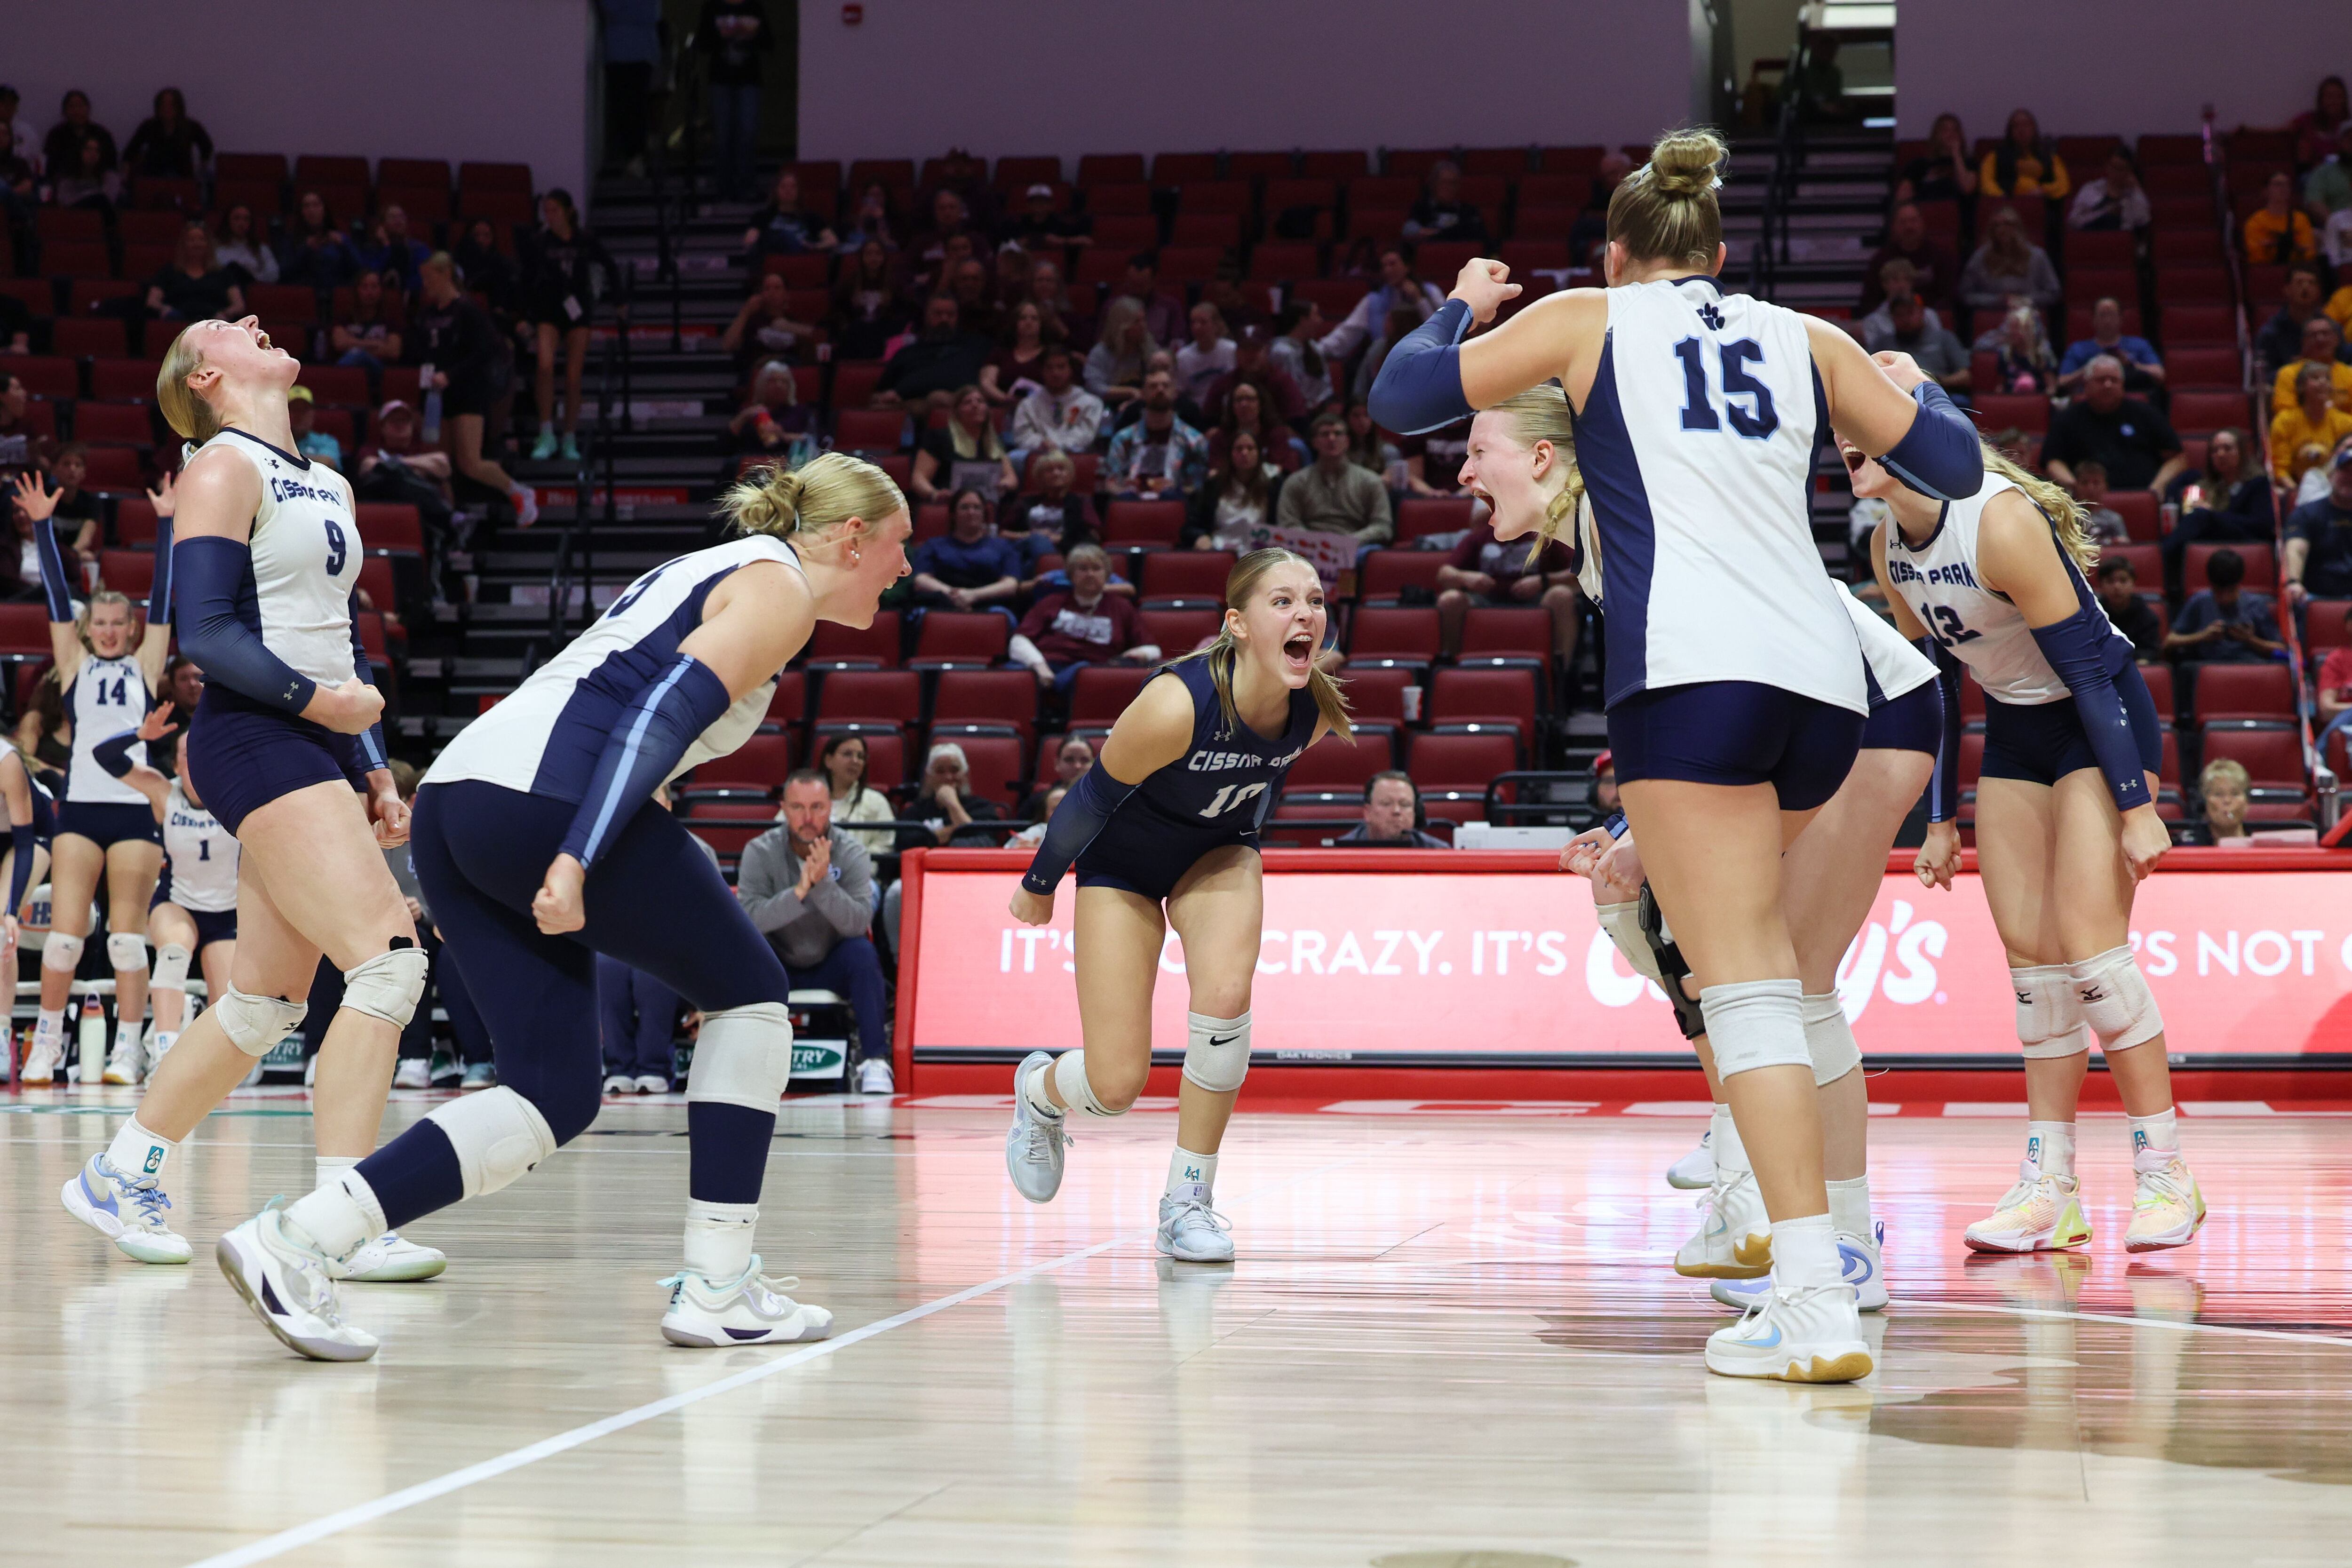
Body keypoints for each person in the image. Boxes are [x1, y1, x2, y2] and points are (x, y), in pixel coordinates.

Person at [1372, 126, 1988, 1383]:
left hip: (1694, 677)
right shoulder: (1806, 337)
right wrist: (1911, 383)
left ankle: (1809, 1290)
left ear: (1616, 253)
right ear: (1716, 254)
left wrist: (1460, 305)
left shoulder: (1589, 321)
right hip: (1824, 690)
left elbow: (1399, 399)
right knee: (1770, 979)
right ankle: (1814, 1261)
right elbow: (1958, 464)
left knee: (1747, 985)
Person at [224, 450, 910, 1360]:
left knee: (552, 1091)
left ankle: (297, 1240)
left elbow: (618, 700)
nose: (905, 569)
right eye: (900, 544)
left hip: (465, 796)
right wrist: (579, 855)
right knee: (750, 991)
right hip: (542, 803)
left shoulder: (715, 571)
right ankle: (718, 1283)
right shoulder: (776, 589)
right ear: (853, 535)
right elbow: (653, 719)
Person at [58, 315, 438, 1292]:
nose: (256, 323)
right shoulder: (219, 468)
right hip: (250, 734)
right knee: (389, 961)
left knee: (266, 1000)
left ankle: (122, 1169)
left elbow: (332, 641)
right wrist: (322, 707)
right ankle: (338, 1219)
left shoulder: (326, 477)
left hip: (312, 737)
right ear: (208, 375)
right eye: (229, 326)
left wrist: (369, 762)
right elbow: (206, 636)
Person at [1552, 398, 1943, 1321]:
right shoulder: (1609, 533)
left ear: (1539, 456)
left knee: (1791, 990)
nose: (1461, 473)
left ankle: (1834, 1242)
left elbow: (1739, 659)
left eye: (1476, 447)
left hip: (1862, 704)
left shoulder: (1628, 519)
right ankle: (1756, 1177)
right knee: (1702, 940)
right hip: (1805, 708)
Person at [1862, 433, 2200, 1261]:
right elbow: (1937, 681)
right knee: (2034, 966)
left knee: (2094, 952)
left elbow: (2089, 671)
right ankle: (2051, 1189)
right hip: (2015, 730)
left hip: (2099, 716)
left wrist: (2134, 805)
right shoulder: (1884, 544)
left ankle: (2167, 1171)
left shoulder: (2000, 522)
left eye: (1861, 427)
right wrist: (1938, 819)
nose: (1845, 442)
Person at [1005, 547, 1348, 1263]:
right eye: (1282, 601)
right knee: (1116, 1083)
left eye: (1314, 600)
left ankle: (1188, 1200)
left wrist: (1239, 841)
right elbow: (1092, 798)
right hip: (1120, 865)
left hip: (1217, 850)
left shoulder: (1313, 709)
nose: (1305, 614)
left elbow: (1258, 782)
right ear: (1238, 625)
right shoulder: (1174, 703)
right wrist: (1040, 885)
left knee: (1225, 996)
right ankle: (1039, 1092)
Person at [10, 472, 176, 1086]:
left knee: (128, 942)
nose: (109, 630)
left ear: (131, 630)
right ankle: (47, 1046)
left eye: (118, 622)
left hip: (134, 810)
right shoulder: (73, 663)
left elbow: (163, 598)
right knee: (64, 939)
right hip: (79, 810)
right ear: (88, 630)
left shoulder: (146, 665)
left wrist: (165, 524)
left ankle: (126, 1050)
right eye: (99, 622)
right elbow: (56, 596)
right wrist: (45, 529)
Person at [88, 714, 231, 1072]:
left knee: (227, 1000)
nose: (194, 757)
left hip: (230, 910)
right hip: (178, 902)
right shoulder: (164, 791)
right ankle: (164, 1054)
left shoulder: (234, 794)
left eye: (202, 749)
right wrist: (138, 734)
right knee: (173, 951)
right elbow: (105, 756)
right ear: (175, 763)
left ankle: (213, 1066)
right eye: (186, 752)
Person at [737, 771, 891, 1093]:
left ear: (831, 808)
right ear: (784, 808)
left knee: (862, 953)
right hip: (776, 963)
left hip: (830, 962)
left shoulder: (851, 853)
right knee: (742, 950)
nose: (808, 818)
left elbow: (856, 921)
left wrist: (822, 884)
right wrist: (800, 891)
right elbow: (750, 920)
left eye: (818, 807)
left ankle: (875, 1059)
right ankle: (737, 1057)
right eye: (798, 807)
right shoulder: (759, 851)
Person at [413, 253, 537, 525]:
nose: (426, 284)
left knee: (470, 462)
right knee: (441, 463)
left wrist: (452, 374)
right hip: (438, 397)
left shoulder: (467, 311)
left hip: (468, 394)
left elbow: (487, 350)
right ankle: (451, 519)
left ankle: (520, 492)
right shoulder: (429, 315)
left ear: (445, 274)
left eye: (429, 277)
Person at [520, 191, 611, 463]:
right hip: (548, 311)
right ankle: (546, 432)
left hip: (578, 313)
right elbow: (526, 279)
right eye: (546, 211)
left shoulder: (585, 240)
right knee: (545, 366)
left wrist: (619, 302)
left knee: (573, 376)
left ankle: (569, 435)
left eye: (555, 210)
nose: (550, 216)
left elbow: (609, 266)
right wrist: (526, 315)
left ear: (569, 211)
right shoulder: (539, 242)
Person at [1434, 493, 1580, 661]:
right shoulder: (1481, 536)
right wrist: (1467, 578)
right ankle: (1450, 664)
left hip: (1536, 600)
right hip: (1486, 599)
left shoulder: (1546, 535)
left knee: (1561, 595)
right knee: (1450, 599)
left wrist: (1544, 581)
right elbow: (1444, 573)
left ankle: (1561, 672)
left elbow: (1577, 571)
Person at [1010, 543, 1159, 689]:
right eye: (1083, 569)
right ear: (1071, 575)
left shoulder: (1122, 607)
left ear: (1107, 575)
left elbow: (1152, 649)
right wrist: (1040, 667)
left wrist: (1131, 656)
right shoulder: (1051, 602)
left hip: (1094, 676)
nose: (1090, 574)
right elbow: (1019, 641)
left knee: (1083, 670)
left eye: (1096, 569)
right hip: (1047, 668)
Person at [2043, 356, 2184, 494]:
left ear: (2123, 384)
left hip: (2140, 497)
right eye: (2101, 380)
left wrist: (2157, 487)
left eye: (2114, 380)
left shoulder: (2146, 413)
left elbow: (2177, 458)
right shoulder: (2067, 419)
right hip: (2087, 503)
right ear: (2086, 384)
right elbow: (2053, 462)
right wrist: (2075, 486)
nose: (2108, 385)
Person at [2163, 426, 2277, 571]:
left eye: (2227, 449)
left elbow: (2262, 526)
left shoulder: (2258, 484)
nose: (2221, 454)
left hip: (2246, 540)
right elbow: (2174, 490)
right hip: (2213, 540)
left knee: (2200, 517)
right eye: (2214, 451)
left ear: (2242, 452)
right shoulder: (2204, 483)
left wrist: (2212, 515)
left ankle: (2160, 559)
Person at [1318, 244, 1444, 366]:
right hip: (1386, 364)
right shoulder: (1373, 301)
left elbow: (1444, 331)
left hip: (1427, 361)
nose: (1387, 270)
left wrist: (1419, 301)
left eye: (1393, 264)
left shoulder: (1431, 292)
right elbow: (1347, 333)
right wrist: (1317, 350)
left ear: (1407, 266)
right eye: (1384, 266)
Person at [696, 0, 773, 201]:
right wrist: (721, 35)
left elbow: (769, 42)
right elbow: (701, 43)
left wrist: (750, 34)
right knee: (723, 134)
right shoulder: (713, 8)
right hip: (721, 79)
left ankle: (746, 184)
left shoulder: (754, 7)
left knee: (747, 132)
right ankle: (725, 185)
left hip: (749, 79)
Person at [1276, 412, 1392, 545]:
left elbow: (1383, 526)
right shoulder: (1296, 482)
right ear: (1314, 442)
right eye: (1325, 434)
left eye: (1338, 434)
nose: (1332, 439)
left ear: (1347, 441)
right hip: (1310, 548)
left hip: (1356, 547)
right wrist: (1318, 543)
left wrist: (1348, 542)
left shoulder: (1370, 480)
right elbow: (1288, 525)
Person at [908, 486, 1021, 614]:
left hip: (990, 607)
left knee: (1005, 616)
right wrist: (953, 594)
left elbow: (1011, 584)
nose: (971, 512)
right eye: (965, 507)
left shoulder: (1002, 546)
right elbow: (921, 579)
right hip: (940, 605)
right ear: (953, 514)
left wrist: (973, 595)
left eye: (977, 508)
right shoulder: (933, 545)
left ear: (984, 514)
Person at [1100, 367, 1208, 500]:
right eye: (1153, 386)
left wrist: (1176, 489)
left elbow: (1198, 485)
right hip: (1132, 508)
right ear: (1143, 394)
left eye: (1166, 386)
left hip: (1175, 508)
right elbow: (1110, 483)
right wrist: (1125, 490)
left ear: (1175, 393)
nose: (1160, 390)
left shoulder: (1194, 440)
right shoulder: (1122, 439)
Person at [2165, 548, 2285, 665]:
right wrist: (2202, 636)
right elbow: (2169, 642)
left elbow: (2282, 650)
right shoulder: (2199, 601)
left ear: (2239, 584)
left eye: (2231, 591)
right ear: (2211, 585)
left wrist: (2250, 640)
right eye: (2219, 592)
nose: (2225, 598)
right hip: (2207, 669)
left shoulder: (2255, 604)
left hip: (2249, 668)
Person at [875, 293, 992, 411]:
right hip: (908, 410)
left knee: (939, 398)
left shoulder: (976, 347)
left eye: (950, 315)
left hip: (963, 410)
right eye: (938, 314)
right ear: (926, 316)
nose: (944, 319)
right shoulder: (906, 353)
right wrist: (886, 397)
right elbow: (876, 396)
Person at [912, 384, 1017, 503]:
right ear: (957, 411)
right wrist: (934, 494)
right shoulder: (938, 438)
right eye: (968, 402)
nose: (975, 405)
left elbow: (1011, 478)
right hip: (949, 504)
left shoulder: (995, 441)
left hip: (987, 505)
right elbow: (919, 479)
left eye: (980, 401)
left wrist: (1005, 484)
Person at [895, 741, 1008, 848]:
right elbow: (908, 845)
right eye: (940, 771)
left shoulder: (983, 808)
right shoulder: (914, 812)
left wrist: (952, 804)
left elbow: (981, 842)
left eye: (955, 770)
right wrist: (956, 829)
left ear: (965, 775)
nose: (948, 777)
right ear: (929, 777)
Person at [1856, 202, 1960, 314]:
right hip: (1887, 321)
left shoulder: (1941, 256)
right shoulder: (1882, 260)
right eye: (1903, 222)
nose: (1909, 227)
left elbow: (1950, 297)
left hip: (1928, 319)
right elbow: (1869, 301)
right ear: (1894, 227)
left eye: (1913, 221)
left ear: (1922, 223)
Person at [1958, 205, 2061, 318]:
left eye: (2007, 224)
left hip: (2029, 318)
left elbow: (2054, 292)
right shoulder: (1980, 257)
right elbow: (1965, 295)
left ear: (2018, 228)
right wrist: (1996, 300)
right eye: (1997, 226)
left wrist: (2024, 300)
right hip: (1992, 317)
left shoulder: (2037, 256)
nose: (2002, 230)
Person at [1186, 429, 1280, 550]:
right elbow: (1191, 525)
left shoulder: (1273, 485)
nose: (1245, 453)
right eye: (1239, 449)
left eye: (1250, 448)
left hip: (1259, 553)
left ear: (1259, 454)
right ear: (1230, 454)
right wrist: (1200, 537)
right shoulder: (1214, 485)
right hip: (1220, 549)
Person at [1861, 287, 1970, 391]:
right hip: (1894, 397)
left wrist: (1937, 382)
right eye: (1900, 315)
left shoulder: (1944, 338)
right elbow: (1864, 373)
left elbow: (1965, 375)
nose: (1906, 319)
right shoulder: (1882, 344)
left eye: (1910, 313)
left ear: (1922, 313)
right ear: (1892, 318)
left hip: (1940, 395)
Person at [1008, 345, 1104, 459]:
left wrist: (1058, 445)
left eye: (1061, 367)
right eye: (1049, 368)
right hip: (1038, 456)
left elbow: (1086, 435)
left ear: (1071, 370)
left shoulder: (1091, 403)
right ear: (1042, 371)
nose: (1055, 373)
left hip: (1075, 458)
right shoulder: (1027, 405)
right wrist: (1041, 444)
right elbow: (1022, 436)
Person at [2057, 297, 2163, 397]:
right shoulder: (2078, 348)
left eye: (2112, 315)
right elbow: (2062, 382)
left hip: (2132, 400)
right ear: (2094, 320)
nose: (2107, 321)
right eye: (2103, 315)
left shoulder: (2140, 345)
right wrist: (2091, 368)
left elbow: (2160, 375)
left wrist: (2132, 364)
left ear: (2121, 319)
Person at [2284, 447, 2352, 601]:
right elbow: (2297, 550)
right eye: (2345, 472)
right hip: (2316, 596)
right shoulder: (2307, 513)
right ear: (2330, 476)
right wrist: (2294, 582)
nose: (2350, 477)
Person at [2271, 360, 2352, 485]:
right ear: (2301, 387)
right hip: (2294, 487)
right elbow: (2281, 471)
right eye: (2315, 378)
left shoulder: (2346, 423)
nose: (2323, 382)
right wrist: (2297, 493)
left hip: (2334, 488)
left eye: (2327, 379)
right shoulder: (2285, 421)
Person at [145, 223, 246, 323]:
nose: (197, 244)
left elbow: (239, 305)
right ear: (183, 245)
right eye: (191, 240)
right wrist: (165, 309)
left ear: (209, 244)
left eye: (201, 239)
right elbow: (152, 301)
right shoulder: (169, 272)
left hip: (214, 327)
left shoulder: (223, 274)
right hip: (177, 325)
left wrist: (225, 314)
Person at [722, 271, 819, 373]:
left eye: (777, 288)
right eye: (767, 288)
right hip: (759, 373)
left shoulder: (794, 323)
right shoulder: (751, 321)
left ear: (786, 295)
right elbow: (727, 346)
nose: (772, 293)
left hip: (789, 373)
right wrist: (746, 312)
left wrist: (790, 328)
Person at [817, 731, 894, 856]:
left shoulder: (876, 801)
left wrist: (855, 864)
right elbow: (779, 835)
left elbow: (885, 845)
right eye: (847, 754)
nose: (855, 761)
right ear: (828, 760)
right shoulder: (805, 797)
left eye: (861, 757)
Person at [330, 271, 405, 394]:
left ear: (381, 290)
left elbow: (394, 351)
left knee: (356, 354)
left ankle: (335, 387)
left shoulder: (390, 318)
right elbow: (340, 343)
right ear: (357, 290)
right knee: (356, 355)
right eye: (365, 287)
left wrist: (355, 346)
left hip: (380, 371)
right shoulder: (345, 317)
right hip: (351, 369)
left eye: (374, 287)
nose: (370, 292)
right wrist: (376, 344)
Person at [727, 359, 816, 461]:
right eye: (772, 381)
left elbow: (812, 441)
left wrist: (783, 436)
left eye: (784, 382)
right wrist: (743, 417)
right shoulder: (748, 412)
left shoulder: (799, 412)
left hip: (787, 463)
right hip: (751, 463)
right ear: (761, 385)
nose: (779, 386)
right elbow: (724, 445)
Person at [740, 169, 837, 261]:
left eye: (793, 187)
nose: (788, 190)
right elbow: (750, 240)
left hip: (801, 259)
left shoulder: (811, 217)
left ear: (799, 191)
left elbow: (832, 240)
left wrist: (814, 246)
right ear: (776, 191)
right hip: (775, 260)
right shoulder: (762, 216)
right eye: (784, 187)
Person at [1333, 770, 1448, 846]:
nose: (1397, 811)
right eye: (1386, 803)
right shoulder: (1343, 850)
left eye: (1405, 805)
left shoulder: (1437, 851)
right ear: (1367, 812)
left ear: (1414, 812)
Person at [2269, 314, 2352, 417]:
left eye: (2325, 334)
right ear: (2304, 342)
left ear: (2337, 339)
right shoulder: (2289, 374)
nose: (2320, 339)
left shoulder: (2349, 375)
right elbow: (2284, 415)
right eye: (2313, 335)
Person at [981, 299, 1058, 409]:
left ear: (1042, 324)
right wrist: (1006, 399)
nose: (1029, 322)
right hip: (1005, 408)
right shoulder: (1000, 353)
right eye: (1023, 318)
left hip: (1042, 409)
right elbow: (986, 383)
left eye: (1034, 318)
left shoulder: (1051, 354)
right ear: (1015, 323)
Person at [2257, 263, 2332, 376]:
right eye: (2299, 283)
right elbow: (2263, 377)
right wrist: (2298, 369)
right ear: (2287, 289)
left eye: (2312, 283)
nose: (2306, 287)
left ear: (2319, 291)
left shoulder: (2332, 329)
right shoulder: (2271, 333)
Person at [121, 87, 211, 181]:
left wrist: (202, 167)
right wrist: (126, 168)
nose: (167, 109)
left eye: (171, 105)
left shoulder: (190, 127)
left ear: (179, 107)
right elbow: (131, 150)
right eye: (163, 105)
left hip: (182, 179)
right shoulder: (149, 126)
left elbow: (207, 147)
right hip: (154, 178)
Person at [1979, 109, 2069, 200]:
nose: (2021, 130)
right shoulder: (1995, 156)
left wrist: (2044, 190)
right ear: (2010, 131)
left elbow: (2063, 185)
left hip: (2042, 204)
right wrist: (2003, 198)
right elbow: (1986, 183)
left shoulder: (2050, 157)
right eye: (2016, 126)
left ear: (2034, 129)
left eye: (2026, 125)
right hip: (2007, 206)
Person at [1084, 295, 1157, 408]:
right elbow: (1094, 387)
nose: (1143, 326)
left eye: (1144, 320)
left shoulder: (1149, 346)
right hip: (1107, 408)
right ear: (1122, 326)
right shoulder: (1101, 353)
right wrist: (1131, 392)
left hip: (1144, 407)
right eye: (1137, 322)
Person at [1894, 112, 1978, 207]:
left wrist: (1956, 154)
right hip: (1925, 212)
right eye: (1945, 130)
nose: (1951, 134)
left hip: (1958, 214)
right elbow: (1902, 196)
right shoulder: (1919, 164)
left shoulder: (1969, 164)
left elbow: (1967, 188)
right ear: (1936, 135)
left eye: (1955, 130)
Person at [1270, 301, 1335, 416]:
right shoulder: (1281, 352)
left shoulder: (1315, 348)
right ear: (1303, 320)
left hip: (1318, 410)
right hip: (1292, 414)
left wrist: (1320, 402)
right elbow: (1288, 391)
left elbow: (1326, 386)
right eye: (1316, 315)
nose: (1320, 321)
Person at [2093, 556, 2164, 661]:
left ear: (2133, 583)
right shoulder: (2094, 615)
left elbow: (2151, 651)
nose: (2117, 587)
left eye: (2123, 581)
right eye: (2110, 581)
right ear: (2101, 586)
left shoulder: (2148, 617)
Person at [348, 206, 429, 296]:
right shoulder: (372, 249)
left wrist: (403, 283)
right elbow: (368, 274)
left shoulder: (417, 248)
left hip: (408, 295)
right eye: (393, 217)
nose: (398, 220)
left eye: (401, 217)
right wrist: (387, 246)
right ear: (382, 224)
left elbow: (424, 276)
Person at [41, 90, 118, 186]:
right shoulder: (56, 135)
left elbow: (111, 164)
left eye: (80, 106)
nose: (77, 111)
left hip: (98, 183)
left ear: (88, 109)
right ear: (64, 111)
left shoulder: (102, 134)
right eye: (72, 107)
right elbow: (50, 167)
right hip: (67, 183)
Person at [278, 191, 353, 289]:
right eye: (307, 206)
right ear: (301, 212)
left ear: (324, 210)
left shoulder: (339, 238)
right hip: (304, 294)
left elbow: (359, 269)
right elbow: (283, 272)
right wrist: (305, 249)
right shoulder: (291, 240)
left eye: (316, 205)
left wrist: (345, 245)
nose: (312, 210)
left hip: (335, 293)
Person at [1404, 160, 1489, 245]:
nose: (1449, 188)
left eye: (1453, 183)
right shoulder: (1421, 209)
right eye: (1444, 182)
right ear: (1434, 184)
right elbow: (1409, 231)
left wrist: (1435, 233)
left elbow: (1480, 236)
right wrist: (1448, 233)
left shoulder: (1469, 211)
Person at [2067, 149, 2150, 232]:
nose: (2116, 173)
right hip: (2092, 239)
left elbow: (2143, 220)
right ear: (2107, 167)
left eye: (2121, 169)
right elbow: (2074, 221)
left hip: (2121, 241)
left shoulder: (2134, 194)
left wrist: (2136, 189)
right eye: (2113, 167)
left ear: (2129, 171)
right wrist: (2105, 212)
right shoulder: (2091, 189)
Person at [2245, 171, 2318, 266]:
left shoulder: (2301, 219)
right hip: (2267, 270)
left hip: (2297, 268)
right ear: (2266, 191)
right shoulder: (2256, 222)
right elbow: (2257, 257)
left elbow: (2309, 253)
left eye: (2287, 185)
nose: (2284, 189)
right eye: (2278, 185)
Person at [1174, 303, 1236, 405]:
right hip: (1197, 412)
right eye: (1193, 322)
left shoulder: (1231, 350)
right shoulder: (1183, 357)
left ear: (1216, 325)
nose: (1197, 327)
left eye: (1203, 322)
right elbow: (1181, 391)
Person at [1022, 734, 1093, 820]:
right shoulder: (1037, 803)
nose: (1077, 766)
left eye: (1085, 760)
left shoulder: (1108, 800)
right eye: (1069, 760)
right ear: (1057, 764)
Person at [2292, 76, 2352, 171]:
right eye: (2329, 97)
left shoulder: (2348, 128)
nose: (2334, 101)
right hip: (2311, 175)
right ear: (2321, 99)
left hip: (2342, 175)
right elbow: (2283, 135)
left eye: (2339, 97)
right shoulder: (2307, 120)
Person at [214, 203, 279, 286]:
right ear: (228, 221)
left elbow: (274, 275)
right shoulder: (217, 249)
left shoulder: (262, 249)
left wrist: (251, 277)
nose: (241, 223)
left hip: (254, 291)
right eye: (236, 219)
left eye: (246, 219)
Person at [2194, 758, 2255, 846]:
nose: (2227, 801)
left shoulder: (2260, 845)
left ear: (2246, 802)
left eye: (2235, 794)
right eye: (2218, 794)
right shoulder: (2189, 845)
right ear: (2205, 802)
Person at [285, 385, 342, 470]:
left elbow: (328, 463)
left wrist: (285, 458)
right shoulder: (272, 441)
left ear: (312, 414)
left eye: (304, 410)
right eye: (295, 410)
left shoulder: (327, 442)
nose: (300, 416)